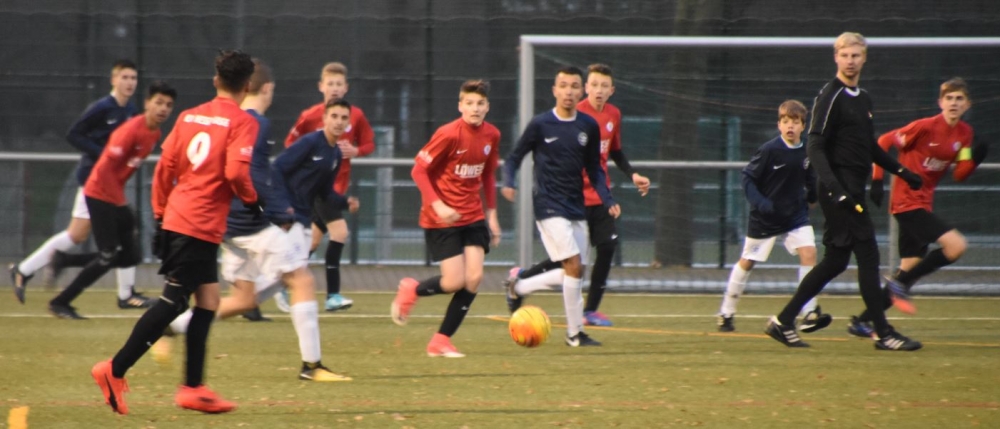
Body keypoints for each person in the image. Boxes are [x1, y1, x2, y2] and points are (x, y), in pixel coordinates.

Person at [91, 50, 260, 415]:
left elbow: (165, 170)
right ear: (247, 86)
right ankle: (114, 370)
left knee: (208, 301)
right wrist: (253, 200)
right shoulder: (243, 121)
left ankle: (193, 387)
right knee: (174, 302)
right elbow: (236, 173)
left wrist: (160, 216)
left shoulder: (188, 116)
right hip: (199, 224)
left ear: (216, 81)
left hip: (182, 218)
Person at [161, 72, 353, 382]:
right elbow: (264, 173)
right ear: (265, 88)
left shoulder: (222, 120)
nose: (340, 121)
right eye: (335, 116)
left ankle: (173, 326)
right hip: (255, 222)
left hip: (230, 224)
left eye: (344, 117)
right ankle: (312, 366)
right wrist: (279, 210)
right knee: (301, 280)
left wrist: (344, 202)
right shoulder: (257, 124)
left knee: (245, 300)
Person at [764, 32, 925, 351]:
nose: (850, 61)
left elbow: (868, 147)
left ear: (864, 58)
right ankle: (883, 332)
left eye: (856, 55)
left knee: (835, 262)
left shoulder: (863, 98)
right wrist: (836, 190)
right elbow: (814, 145)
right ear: (836, 57)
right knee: (868, 254)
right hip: (838, 191)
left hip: (852, 189)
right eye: (845, 55)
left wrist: (902, 172)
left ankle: (783, 321)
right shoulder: (830, 95)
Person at [502, 63, 650, 328]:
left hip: (595, 198)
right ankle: (528, 287)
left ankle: (585, 311)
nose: (598, 90)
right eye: (594, 85)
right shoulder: (562, 119)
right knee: (569, 264)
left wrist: (628, 178)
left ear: (611, 90)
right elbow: (516, 156)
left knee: (599, 252)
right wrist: (509, 182)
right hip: (564, 200)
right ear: (585, 88)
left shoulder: (607, 117)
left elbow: (610, 155)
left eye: (604, 86)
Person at [847, 77, 988, 336]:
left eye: (959, 99)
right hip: (906, 201)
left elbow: (959, 174)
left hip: (924, 202)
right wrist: (877, 180)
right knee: (956, 245)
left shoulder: (965, 134)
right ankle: (899, 285)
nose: (953, 103)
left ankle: (862, 321)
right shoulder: (924, 127)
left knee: (909, 268)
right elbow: (884, 141)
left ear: (967, 104)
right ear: (940, 102)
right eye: (949, 98)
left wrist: (974, 159)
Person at [10, 60, 153, 309]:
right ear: (114, 80)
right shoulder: (102, 108)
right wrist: (102, 154)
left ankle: (24, 269)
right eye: (124, 77)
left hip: (110, 182)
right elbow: (74, 134)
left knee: (79, 234)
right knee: (113, 233)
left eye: (133, 78)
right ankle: (125, 294)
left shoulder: (131, 111)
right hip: (93, 180)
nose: (129, 82)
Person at [44, 82, 176, 319]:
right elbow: (105, 170)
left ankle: (65, 259)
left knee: (131, 256)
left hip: (114, 196)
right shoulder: (129, 131)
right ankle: (60, 303)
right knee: (108, 256)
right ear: (147, 103)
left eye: (168, 105)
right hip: (99, 194)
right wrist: (120, 204)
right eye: (158, 102)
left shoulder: (154, 134)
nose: (163, 109)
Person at [389, 80, 501, 358]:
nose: (475, 108)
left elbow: (488, 174)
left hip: (472, 215)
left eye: (480, 103)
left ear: (488, 107)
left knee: (474, 278)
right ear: (460, 106)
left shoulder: (492, 135)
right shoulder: (448, 134)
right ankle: (413, 289)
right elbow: (418, 171)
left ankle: (440, 341)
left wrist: (492, 215)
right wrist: (438, 206)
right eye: (469, 103)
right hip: (441, 218)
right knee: (453, 282)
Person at [716, 100, 831, 333]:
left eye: (795, 122)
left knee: (809, 253)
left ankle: (809, 312)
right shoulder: (769, 150)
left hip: (795, 215)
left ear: (803, 126)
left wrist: (812, 195)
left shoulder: (807, 150)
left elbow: (809, 175)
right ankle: (726, 312)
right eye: (785, 121)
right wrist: (761, 203)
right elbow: (748, 178)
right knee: (747, 261)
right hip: (766, 218)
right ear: (779, 125)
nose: (790, 126)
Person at [278, 62, 372, 312]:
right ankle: (332, 295)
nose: (335, 88)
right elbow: (290, 144)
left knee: (312, 243)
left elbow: (369, 144)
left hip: (334, 189)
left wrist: (356, 151)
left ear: (346, 87)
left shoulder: (355, 115)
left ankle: (283, 283)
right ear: (321, 86)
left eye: (339, 84)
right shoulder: (311, 117)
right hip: (318, 190)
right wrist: (308, 165)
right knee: (340, 233)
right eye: (330, 83)